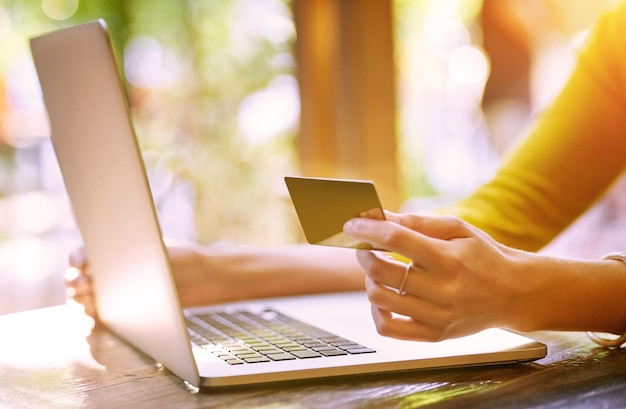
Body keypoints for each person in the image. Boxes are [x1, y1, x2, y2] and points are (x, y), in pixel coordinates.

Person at [67, 1, 626, 347]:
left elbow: (506, 265)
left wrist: (526, 293)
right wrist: (213, 270)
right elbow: (499, 219)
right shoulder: (616, 42)